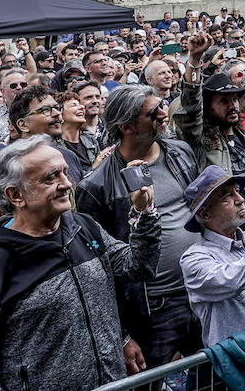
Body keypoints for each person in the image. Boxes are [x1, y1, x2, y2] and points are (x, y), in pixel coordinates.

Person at [0, 136, 160, 391]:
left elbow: (138, 267)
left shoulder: (83, 227)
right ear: (15, 195)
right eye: (50, 178)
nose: (67, 184)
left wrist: (144, 213)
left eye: (65, 173)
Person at [76, 85, 203, 371]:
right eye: (152, 112)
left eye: (162, 105)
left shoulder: (180, 153)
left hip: (200, 289)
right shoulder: (96, 186)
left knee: (212, 375)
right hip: (152, 309)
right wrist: (122, 335)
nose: (163, 114)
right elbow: (95, 269)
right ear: (127, 126)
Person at [174, 33, 245, 231]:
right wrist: (194, 60)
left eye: (235, 99)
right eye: (223, 101)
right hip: (228, 233)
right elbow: (190, 107)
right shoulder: (201, 139)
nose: (232, 106)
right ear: (208, 107)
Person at [179, 165, 245, 346]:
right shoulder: (194, 259)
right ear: (205, 213)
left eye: (237, 191)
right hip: (241, 364)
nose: (241, 199)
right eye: (227, 196)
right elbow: (231, 280)